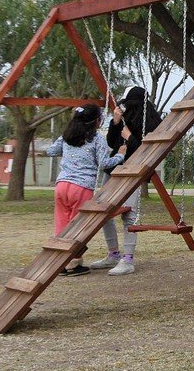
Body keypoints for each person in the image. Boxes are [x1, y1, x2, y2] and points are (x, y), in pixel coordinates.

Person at [89, 85, 165, 276]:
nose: (126, 108)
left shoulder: (152, 124)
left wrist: (129, 136)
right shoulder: (125, 118)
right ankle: (113, 254)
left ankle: (128, 259)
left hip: (135, 171)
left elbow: (146, 153)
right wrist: (115, 123)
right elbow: (110, 142)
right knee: (102, 211)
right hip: (114, 169)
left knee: (129, 215)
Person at [41, 105, 123, 277]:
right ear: (97, 121)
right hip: (81, 187)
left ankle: (60, 264)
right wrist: (120, 155)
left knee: (62, 225)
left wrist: (68, 155)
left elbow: (50, 151)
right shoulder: (96, 139)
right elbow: (103, 163)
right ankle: (73, 263)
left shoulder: (67, 137)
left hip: (62, 185)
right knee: (78, 228)